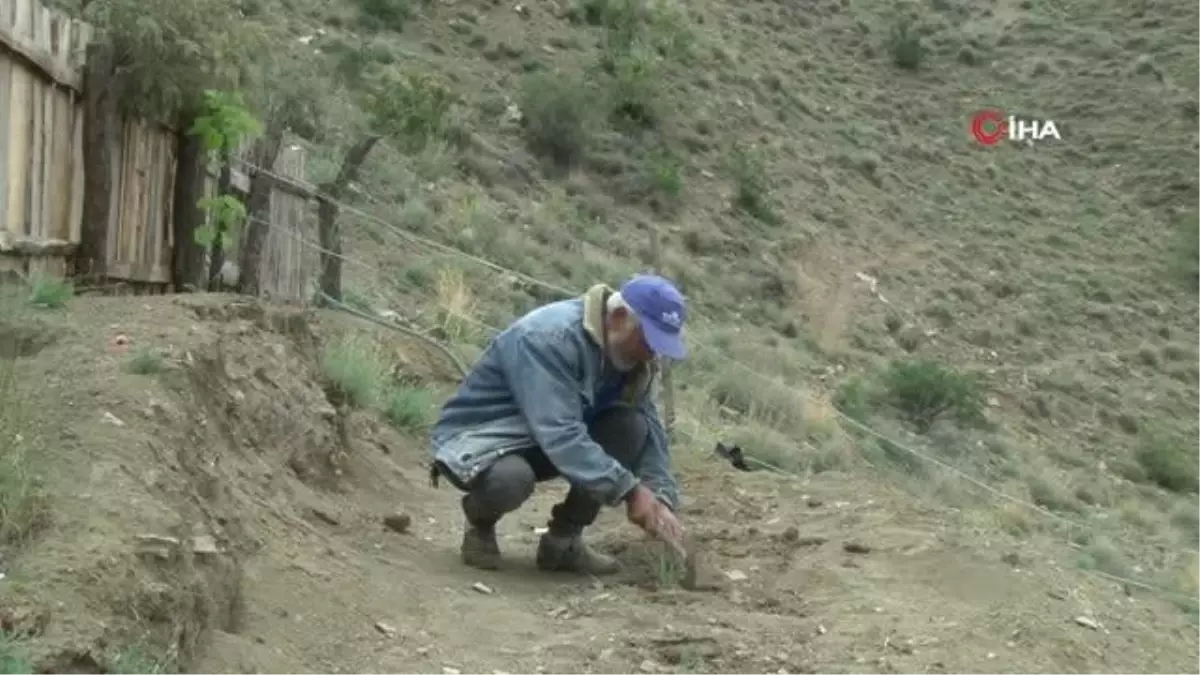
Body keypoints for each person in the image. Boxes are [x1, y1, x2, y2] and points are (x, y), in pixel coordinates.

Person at [428, 274, 688, 575]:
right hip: (484, 441)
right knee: (511, 480)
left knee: (631, 428)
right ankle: (479, 522)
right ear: (618, 318)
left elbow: (651, 428)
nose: (654, 351)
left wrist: (660, 497)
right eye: (650, 340)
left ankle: (564, 543)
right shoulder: (548, 337)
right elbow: (560, 432)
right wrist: (630, 491)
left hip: (549, 439)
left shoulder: (635, 355)